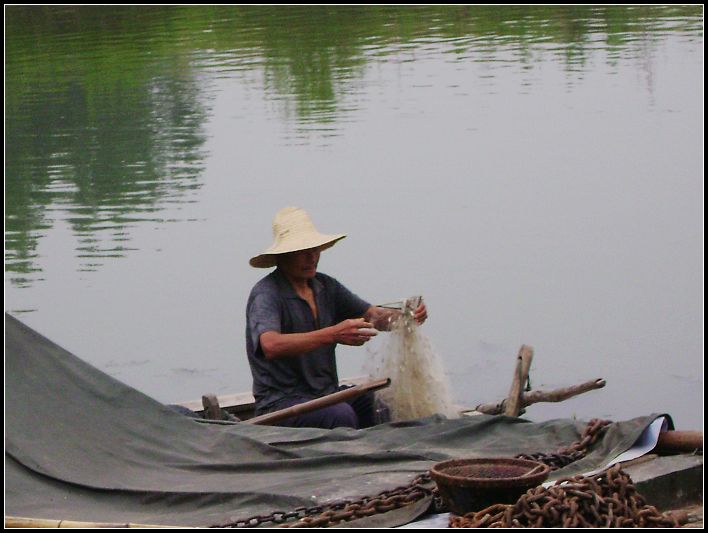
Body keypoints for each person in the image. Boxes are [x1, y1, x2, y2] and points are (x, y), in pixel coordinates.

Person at [246, 206, 427, 429]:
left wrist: (405, 317)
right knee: (340, 416)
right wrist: (333, 334)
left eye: (315, 250)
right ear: (282, 257)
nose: (311, 258)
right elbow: (270, 345)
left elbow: (373, 316)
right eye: (302, 251)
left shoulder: (325, 286)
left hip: (325, 394)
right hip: (281, 403)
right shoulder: (267, 294)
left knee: (382, 406)